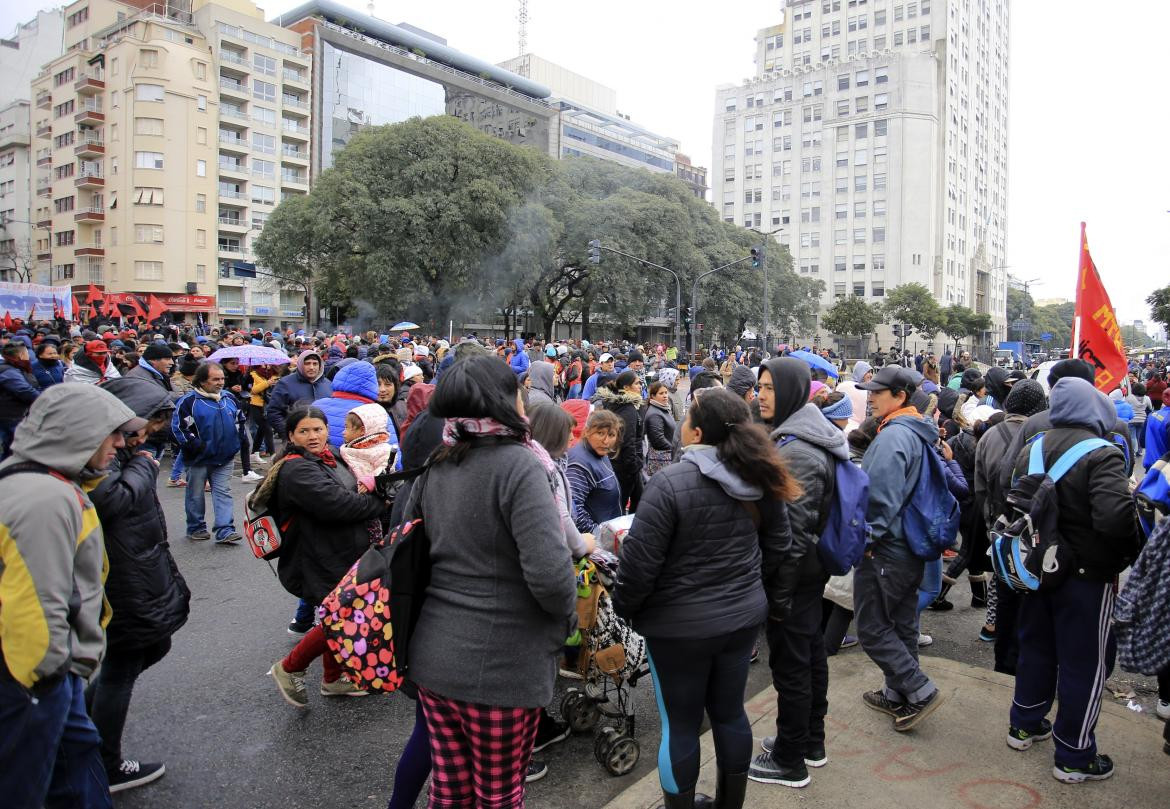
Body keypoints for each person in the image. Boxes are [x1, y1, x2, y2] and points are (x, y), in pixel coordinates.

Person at [408, 355, 577, 808]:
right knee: (498, 795)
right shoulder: (521, 466)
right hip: (503, 666)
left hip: (434, 657)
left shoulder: (440, 461)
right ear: (505, 400)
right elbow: (550, 575)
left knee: (450, 791)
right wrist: (566, 623)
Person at [615, 388, 797, 808]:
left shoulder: (669, 483)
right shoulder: (762, 474)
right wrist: (749, 591)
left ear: (696, 432)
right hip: (740, 621)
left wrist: (630, 611)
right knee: (730, 713)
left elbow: (638, 568)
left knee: (680, 725)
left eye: (686, 419)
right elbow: (779, 547)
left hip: (676, 630)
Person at [0, 383, 146, 809]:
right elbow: (34, 602)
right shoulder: (44, 497)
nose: (121, 443)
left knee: (76, 765)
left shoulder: (49, 483)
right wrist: (47, 682)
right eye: (111, 432)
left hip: (48, 675)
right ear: (77, 432)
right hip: (34, 678)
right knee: (25, 788)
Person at [1005, 377, 1140, 783]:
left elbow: (1008, 496)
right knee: (1084, 664)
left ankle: (1024, 724)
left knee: (1036, 646)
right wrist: (1125, 554)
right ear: (1096, 411)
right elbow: (1115, 517)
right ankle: (1075, 756)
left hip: (1035, 570)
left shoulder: (1032, 447)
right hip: (1086, 577)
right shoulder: (1103, 453)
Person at [87, 378, 189, 793]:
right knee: (122, 663)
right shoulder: (101, 452)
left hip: (140, 563)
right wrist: (144, 462)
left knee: (152, 645)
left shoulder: (127, 450)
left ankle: (78, 725)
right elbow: (111, 501)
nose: (148, 436)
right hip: (119, 573)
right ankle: (105, 762)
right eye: (142, 428)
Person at [752, 357, 847, 787]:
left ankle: (790, 760)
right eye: (760, 386)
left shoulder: (798, 449)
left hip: (797, 573)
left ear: (791, 391)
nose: (761, 395)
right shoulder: (804, 434)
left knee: (792, 664)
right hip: (810, 569)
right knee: (809, 654)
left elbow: (790, 533)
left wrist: (780, 595)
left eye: (770, 388)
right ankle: (809, 741)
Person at [265, 405, 389, 706]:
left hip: (341, 549)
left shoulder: (332, 455)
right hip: (318, 555)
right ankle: (290, 666)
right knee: (340, 616)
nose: (312, 436)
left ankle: (333, 680)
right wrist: (379, 503)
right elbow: (340, 506)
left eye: (318, 429)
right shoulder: (296, 469)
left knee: (339, 613)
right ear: (291, 435)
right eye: (304, 431)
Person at [853, 365, 946, 730]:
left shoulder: (894, 436)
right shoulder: (914, 429)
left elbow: (879, 501)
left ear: (900, 396)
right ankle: (897, 694)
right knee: (902, 623)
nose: (870, 397)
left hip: (887, 548)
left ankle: (918, 690)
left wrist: (866, 542)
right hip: (910, 545)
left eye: (878, 392)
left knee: (873, 629)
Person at [171, 362, 247, 545]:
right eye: (215, 379)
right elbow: (178, 428)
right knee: (195, 494)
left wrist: (237, 442)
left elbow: (240, 421)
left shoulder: (229, 398)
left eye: (222, 378)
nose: (220, 382)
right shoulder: (189, 402)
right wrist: (197, 446)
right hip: (199, 459)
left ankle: (225, 530)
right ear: (203, 381)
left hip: (225, 457)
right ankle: (196, 527)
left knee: (223, 492)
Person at [528, 403, 595, 558]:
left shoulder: (535, 461)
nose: (572, 437)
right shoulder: (549, 469)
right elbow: (562, 516)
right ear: (553, 434)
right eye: (568, 432)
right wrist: (582, 544)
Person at [566, 409, 624, 534]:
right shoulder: (579, 463)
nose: (606, 441)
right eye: (600, 433)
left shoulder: (599, 452)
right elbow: (573, 508)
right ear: (587, 432)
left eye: (611, 435)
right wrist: (597, 534)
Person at [597, 370, 646, 510]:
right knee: (622, 503)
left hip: (622, 463)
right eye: (637, 383)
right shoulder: (628, 409)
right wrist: (634, 466)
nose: (640, 386)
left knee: (636, 500)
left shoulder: (616, 404)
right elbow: (627, 441)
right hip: (626, 466)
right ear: (626, 388)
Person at [266, 349, 332, 440]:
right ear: (300, 365)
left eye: (315, 364)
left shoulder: (328, 384)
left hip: (323, 441)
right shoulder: (285, 384)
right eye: (307, 363)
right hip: (295, 443)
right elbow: (273, 412)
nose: (311, 367)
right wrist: (289, 435)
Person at [0, 341, 41, 458]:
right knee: (13, 448)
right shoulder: (8, 371)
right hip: (11, 415)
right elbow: (24, 390)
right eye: (27, 353)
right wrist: (44, 399)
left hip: (15, 414)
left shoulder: (15, 368)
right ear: (21, 355)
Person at [644, 380, 677, 478]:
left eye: (666, 393)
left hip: (665, 457)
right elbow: (658, 440)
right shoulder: (655, 414)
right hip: (661, 460)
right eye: (661, 393)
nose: (665, 396)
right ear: (653, 396)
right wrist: (674, 449)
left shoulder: (663, 409)